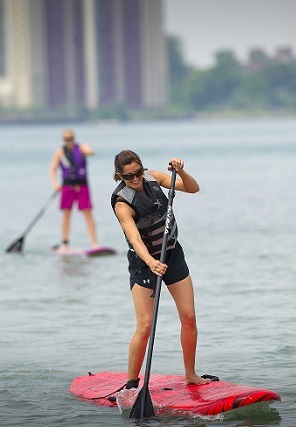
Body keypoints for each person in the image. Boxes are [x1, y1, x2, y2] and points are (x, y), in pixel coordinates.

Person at [111, 150, 211, 389]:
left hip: (173, 255)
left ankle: (190, 374)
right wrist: (150, 262)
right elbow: (134, 239)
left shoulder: (155, 178)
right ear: (119, 176)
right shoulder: (122, 203)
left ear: (142, 169)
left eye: (137, 173)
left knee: (189, 317)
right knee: (145, 326)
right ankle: (132, 384)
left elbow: (193, 188)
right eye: (128, 177)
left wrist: (181, 171)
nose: (135, 179)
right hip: (144, 265)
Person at [50, 128, 99, 252]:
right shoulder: (60, 152)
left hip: (82, 186)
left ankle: (94, 243)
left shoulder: (81, 148)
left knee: (88, 213)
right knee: (66, 215)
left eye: (71, 138)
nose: (69, 141)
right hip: (67, 187)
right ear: (64, 140)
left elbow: (91, 151)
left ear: (74, 138)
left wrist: (88, 151)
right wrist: (55, 184)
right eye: (67, 139)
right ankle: (65, 243)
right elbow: (52, 169)